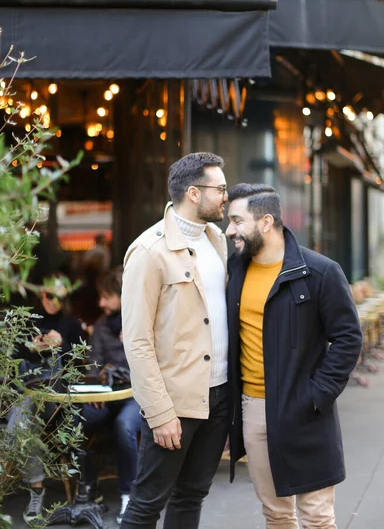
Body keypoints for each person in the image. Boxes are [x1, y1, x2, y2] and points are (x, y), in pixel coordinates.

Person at [225, 183, 363, 529]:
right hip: (253, 408)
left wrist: (315, 395)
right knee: (276, 514)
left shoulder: (320, 272)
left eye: (237, 221)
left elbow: (348, 338)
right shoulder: (236, 269)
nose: (229, 230)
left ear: (266, 222)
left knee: (317, 517)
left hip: (304, 410)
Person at [121, 152, 229, 529]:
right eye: (221, 189)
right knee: (147, 504)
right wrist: (160, 412)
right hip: (175, 403)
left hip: (218, 396)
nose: (226, 196)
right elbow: (136, 340)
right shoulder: (148, 251)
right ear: (195, 194)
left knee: (191, 496)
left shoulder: (217, 240)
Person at [8, 276, 84, 524]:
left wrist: (61, 345)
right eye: (50, 296)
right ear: (41, 294)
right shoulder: (28, 320)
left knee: (28, 416)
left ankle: (68, 493)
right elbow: (12, 357)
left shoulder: (70, 323)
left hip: (59, 394)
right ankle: (36, 487)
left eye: (60, 297)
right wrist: (32, 346)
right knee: (19, 421)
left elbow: (83, 360)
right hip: (29, 390)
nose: (54, 302)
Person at [82, 266, 141, 524]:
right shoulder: (103, 325)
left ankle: (130, 495)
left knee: (124, 425)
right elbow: (93, 364)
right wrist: (94, 387)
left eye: (106, 296)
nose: (100, 302)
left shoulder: (140, 320)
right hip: (106, 396)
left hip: (136, 396)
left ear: (121, 295)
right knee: (78, 418)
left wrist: (131, 342)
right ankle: (86, 491)